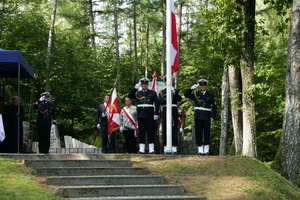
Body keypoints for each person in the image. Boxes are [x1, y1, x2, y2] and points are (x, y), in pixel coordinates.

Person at [184, 79, 217, 155]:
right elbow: (186, 95)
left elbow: (214, 107)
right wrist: (191, 89)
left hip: (206, 116)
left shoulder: (210, 95)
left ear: (206, 86)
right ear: (199, 86)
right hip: (198, 116)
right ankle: (200, 150)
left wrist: (213, 116)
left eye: (204, 85)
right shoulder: (195, 93)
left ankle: (206, 150)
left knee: (206, 133)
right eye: (201, 85)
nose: (202, 86)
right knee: (198, 133)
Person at [128, 78, 159, 154]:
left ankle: (151, 149)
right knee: (141, 132)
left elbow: (157, 103)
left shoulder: (152, 92)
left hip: (149, 115)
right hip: (141, 115)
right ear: (141, 85)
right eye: (143, 84)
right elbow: (130, 96)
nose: (145, 85)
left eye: (146, 84)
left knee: (150, 132)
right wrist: (135, 88)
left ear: (147, 85)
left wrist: (155, 113)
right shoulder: (137, 93)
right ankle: (141, 149)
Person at [157, 76, 182, 154]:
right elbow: (159, 101)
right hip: (165, 113)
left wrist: (174, 92)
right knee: (165, 131)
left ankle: (174, 149)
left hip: (173, 113)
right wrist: (167, 100)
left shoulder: (176, 91)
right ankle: (165, 148)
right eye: (167, 81)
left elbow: (179, 99)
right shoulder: (162, 92)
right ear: (165, 82)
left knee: (174, 131)